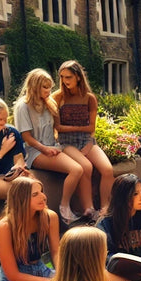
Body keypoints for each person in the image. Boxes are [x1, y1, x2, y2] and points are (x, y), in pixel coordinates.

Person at [15, 68, 86, 224]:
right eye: (45, 87)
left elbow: (56, 129)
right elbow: (26, 137)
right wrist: (45, 149)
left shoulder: (49, 103)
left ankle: (84, 208)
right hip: (35, 151)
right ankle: (64, 208)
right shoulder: (23, 106)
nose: (48, 91)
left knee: (84, 165)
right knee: (76, 169)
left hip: (53, 146)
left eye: (50, 87)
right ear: (34, 86)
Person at [53, 60, 114, 219]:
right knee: (86, 167)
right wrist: (79, 128)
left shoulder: (89, 98)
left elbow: (91, 128)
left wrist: (88, 142)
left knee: (107, 170)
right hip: (66, 142)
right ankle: (89, 209)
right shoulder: (58, 97)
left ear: (78, 77)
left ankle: (105, 208)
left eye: (69, 77)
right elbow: (58, 128)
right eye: (62, 77)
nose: (65, 81)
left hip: (87, 140)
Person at [0, 177, 61, 281]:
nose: (43, 197)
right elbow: (13, 275)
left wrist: (61, 275)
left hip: (42, 271)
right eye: (35, 194)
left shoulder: (49, 217)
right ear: (21, 200)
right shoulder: (5, 227)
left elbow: (56, 252)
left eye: (42, 191)